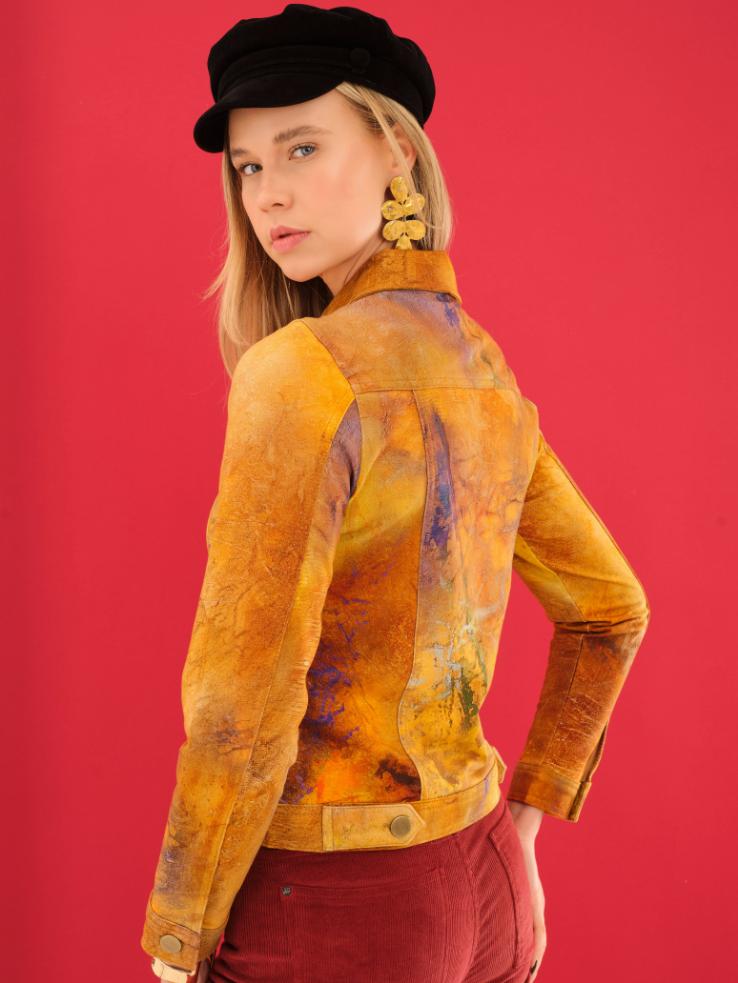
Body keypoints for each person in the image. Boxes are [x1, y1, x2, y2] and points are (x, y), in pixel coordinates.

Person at [140, 5, 651, 982]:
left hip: (334, 909)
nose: (268, 191)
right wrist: (522, 828)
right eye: (248, 166)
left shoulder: (302, 369)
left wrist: (177, 931)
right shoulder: (482, 367)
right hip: (484, 878)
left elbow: (244, 695)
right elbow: (610, 607)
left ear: (396, 152)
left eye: (301, 147)